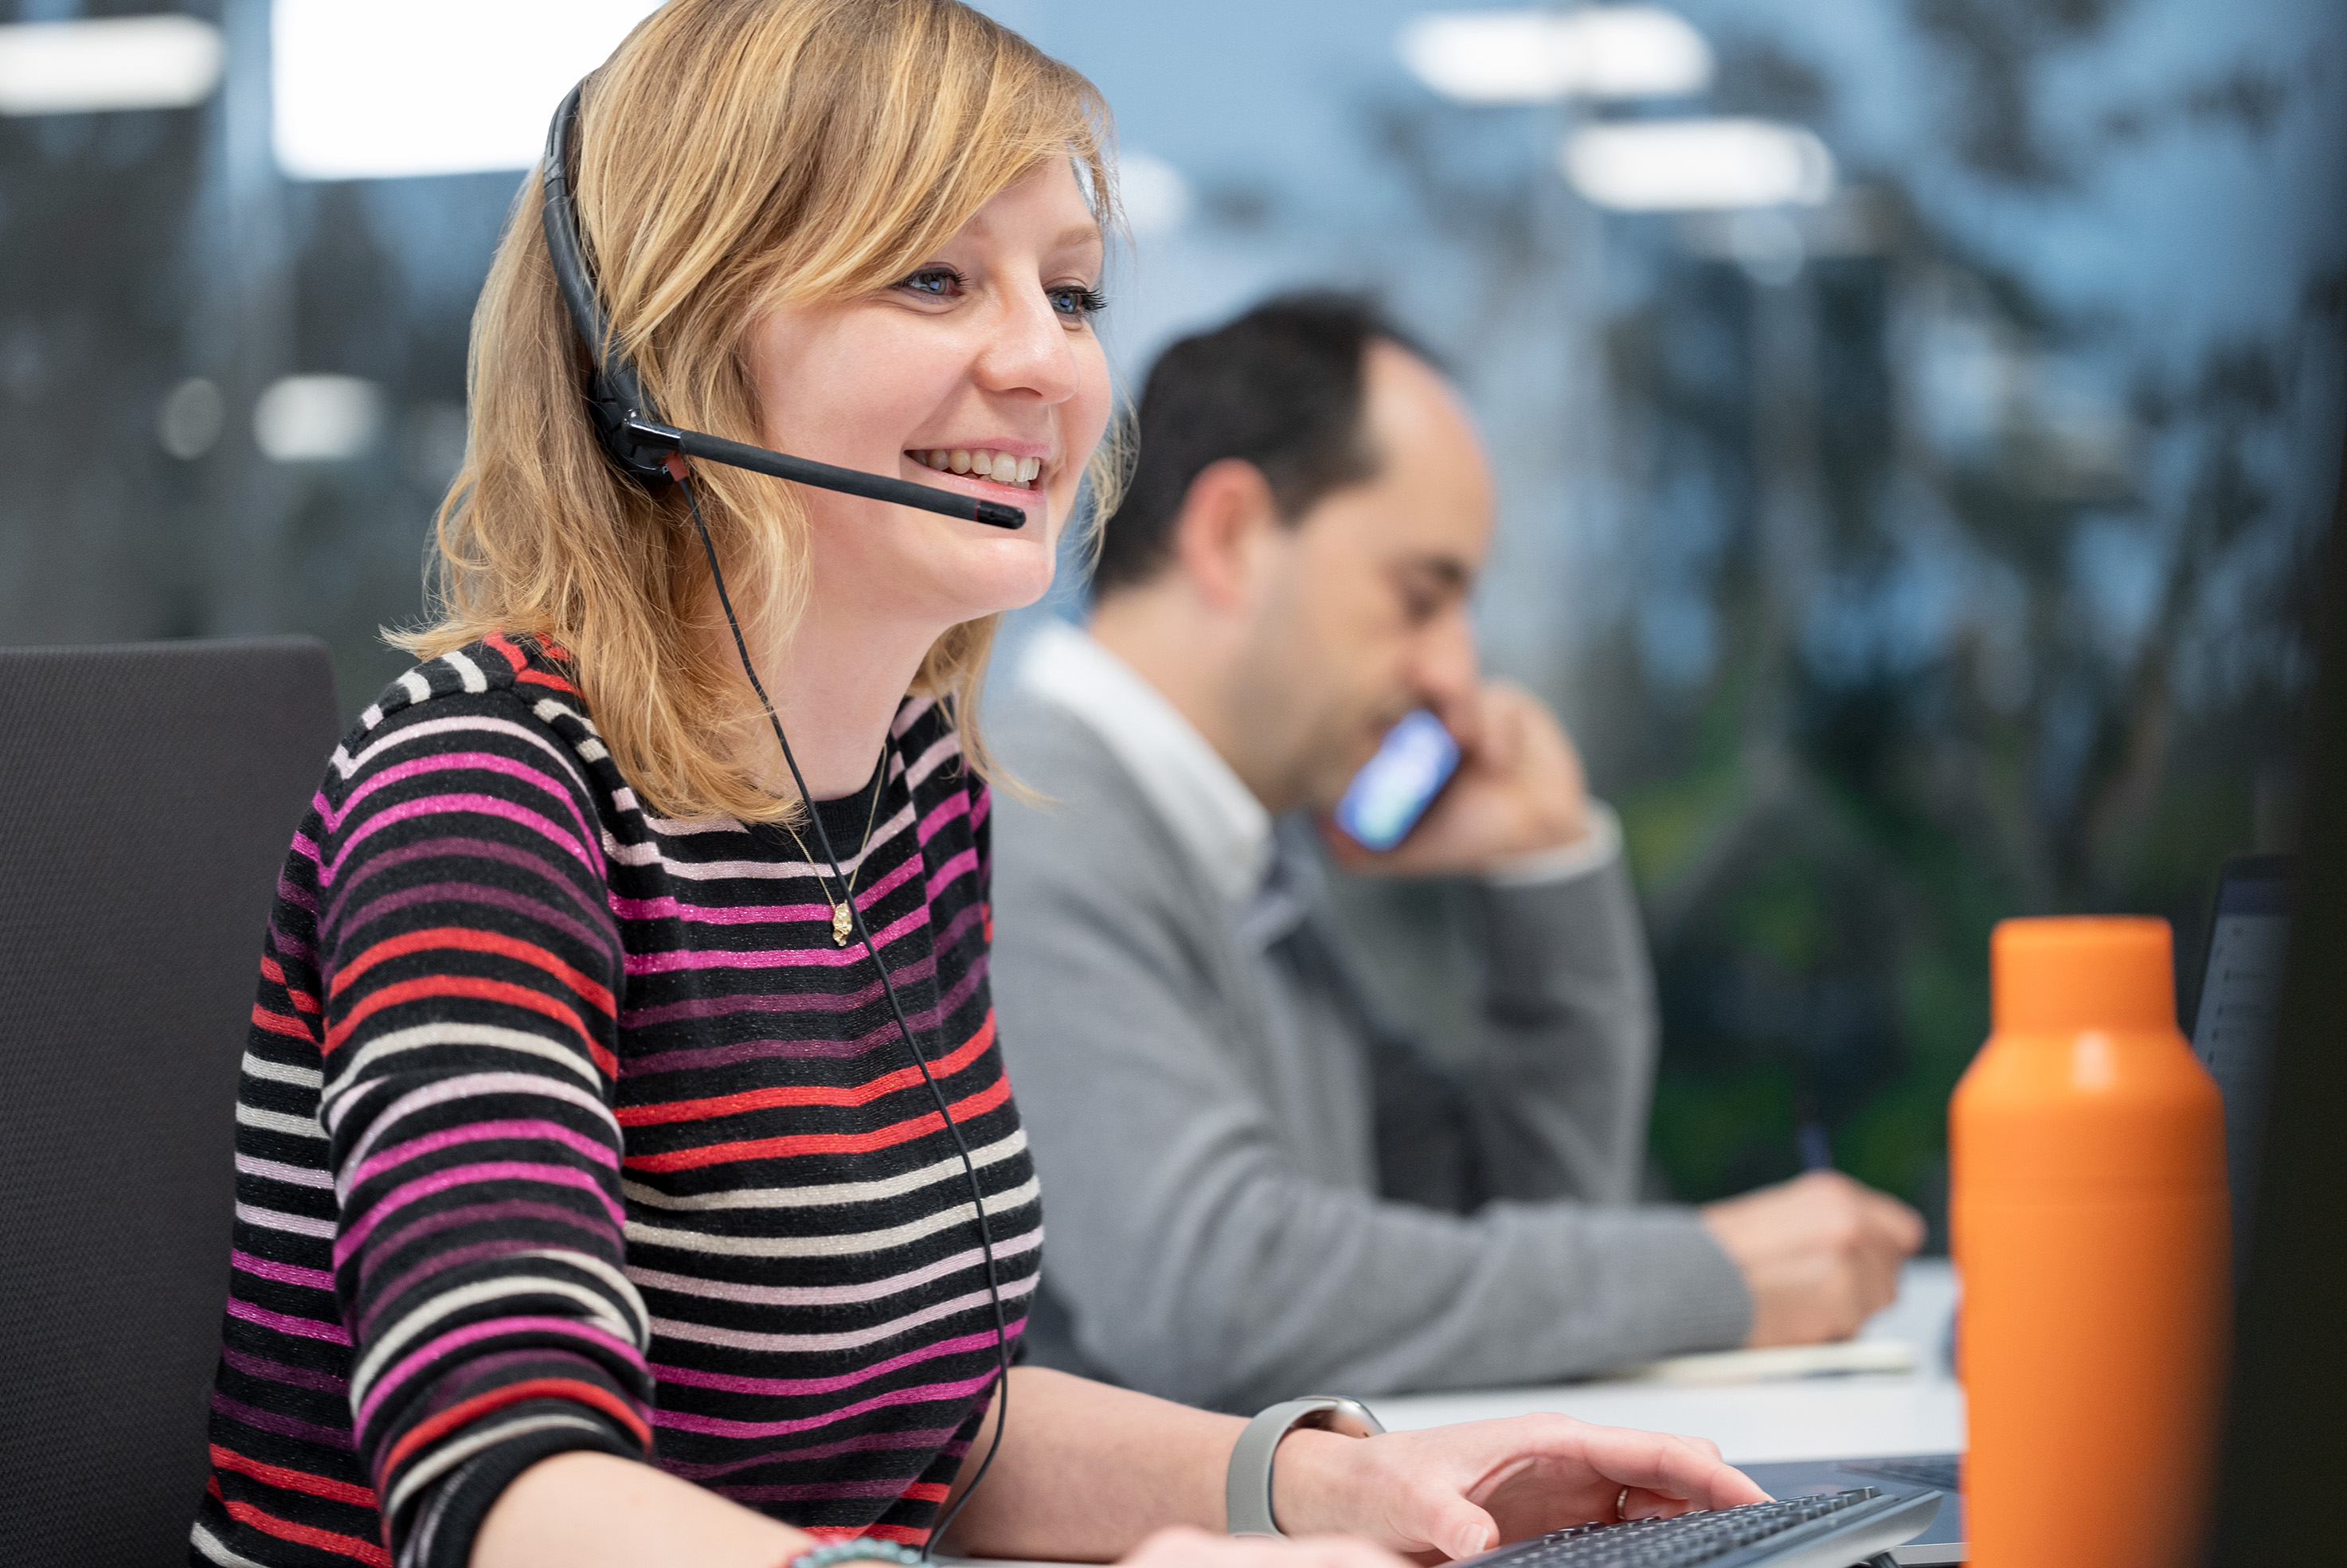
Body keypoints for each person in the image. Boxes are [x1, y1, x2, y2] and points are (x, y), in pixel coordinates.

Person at [189, 8, 1773, 1568]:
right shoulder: (483, 788)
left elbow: (939, 1435)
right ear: (658, 349)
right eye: (935, 277)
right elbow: (510, 1496)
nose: (1046, 363)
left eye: (1071, 292)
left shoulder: (917, 799)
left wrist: (1349, 1482)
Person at [987, 294, 1927, 1414]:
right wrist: (1714, 1278)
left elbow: (1500, 1228)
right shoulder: (1026, 821)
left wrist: (1544, 871)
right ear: (1229, 534)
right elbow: (1217, 1299)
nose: (1452, 673)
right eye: (1417, 596)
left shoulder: (1237, 851)